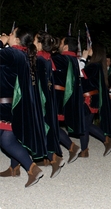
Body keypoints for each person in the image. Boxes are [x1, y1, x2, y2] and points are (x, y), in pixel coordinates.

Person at [0, 27, 46, 187]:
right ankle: (18, 168)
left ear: (18, 40)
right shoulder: (25, 55)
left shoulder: (11, 53)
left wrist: (1, 42)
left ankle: (31, 168)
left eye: (11, 34)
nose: (9, 35)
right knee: (8, 139)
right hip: (13, 103)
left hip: (4, 104)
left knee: (7, 140)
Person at [33, 31, 65, 178]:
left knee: (42, 128)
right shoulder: (47, 59)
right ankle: (49, 158)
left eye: (34, 40)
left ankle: (53, 159)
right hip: (48, 98)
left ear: (39, 43)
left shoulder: (39, 60)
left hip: (41, 99)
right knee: (46, 128)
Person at [78, 42, 111, 157]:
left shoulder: (93, 66)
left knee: (85, 124)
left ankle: (106, 140)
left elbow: (80, 74)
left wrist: (83, 58)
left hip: (89, 98)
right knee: (86, 124)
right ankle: (84, 150)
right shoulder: (98, 65)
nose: (88, 49)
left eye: (91, 47)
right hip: (92, 97)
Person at [52, 36, 85, 163]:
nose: (58, 45)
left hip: (57, 97)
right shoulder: (74, 60)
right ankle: (56, 154)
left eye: (60, 42)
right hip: (65, 97)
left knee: (49, 125)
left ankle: (69, 148)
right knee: (50, 125)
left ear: (65, 46)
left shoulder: (60, 58)